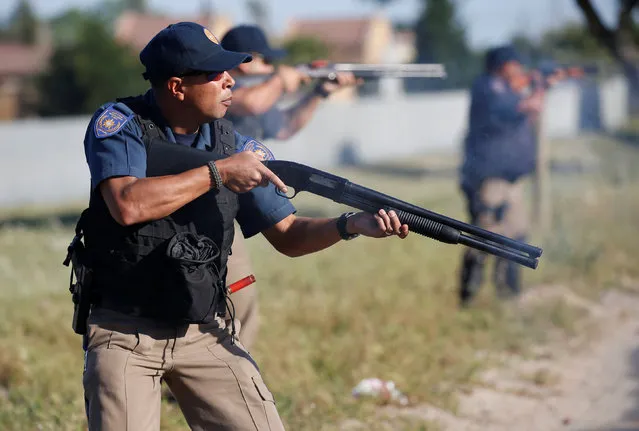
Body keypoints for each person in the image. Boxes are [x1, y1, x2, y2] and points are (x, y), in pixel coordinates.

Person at [77, 21, 409, 430]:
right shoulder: (120, 124)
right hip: (125, 334)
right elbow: (127, 204)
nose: (231, 80)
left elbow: (289, 235)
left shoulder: (235, 144)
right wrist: (218, 174)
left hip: (203, 330)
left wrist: (351, 224)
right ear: (178, 87)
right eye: (216, 74)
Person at [218, 24, 360, 350]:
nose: (271, 67)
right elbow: (252, 103)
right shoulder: (224, 91)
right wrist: (282, 79)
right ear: (245, 61)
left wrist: (319, 93)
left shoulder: (254, 94)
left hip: (233, 208)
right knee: (234, 301)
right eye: (266, 61)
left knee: (239, 300)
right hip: (208, 207)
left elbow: (283, 127)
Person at [458, 45, 545, 307]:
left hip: (511, 179)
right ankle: (468, 298)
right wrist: (540, 89)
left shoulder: (507, 90)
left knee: (516, 236)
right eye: (514, 64)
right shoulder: (488, 87)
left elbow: (523, 116)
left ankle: (509, 294)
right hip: (490, 180)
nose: (518, 69)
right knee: (485, 237)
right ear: (501, 65)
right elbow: (523, 106)